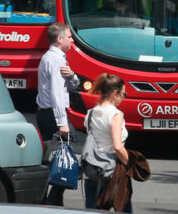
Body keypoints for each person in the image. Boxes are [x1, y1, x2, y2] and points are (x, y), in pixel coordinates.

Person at [36, 22, 82, 206]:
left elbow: (71, 85)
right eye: (70, 37)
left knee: (55, 160)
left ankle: (49, 200)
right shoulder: (56, 59)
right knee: (64, 161)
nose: (72, 40)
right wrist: (62, 122)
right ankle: (51, 202)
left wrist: (72, 76)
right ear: (60, 39)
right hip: (52, 116)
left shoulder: (54, 57)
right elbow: (56, 93)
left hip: (48, 114)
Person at [81, 73, 131, 212]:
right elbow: (117, 146)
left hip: (91, 170)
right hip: (111, 172)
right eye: (123, 94)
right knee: (124, 208)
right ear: (115, 93)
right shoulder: (115, 115)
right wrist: (130, 163)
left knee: (92, 210)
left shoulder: (91, 113)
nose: (123, 97)